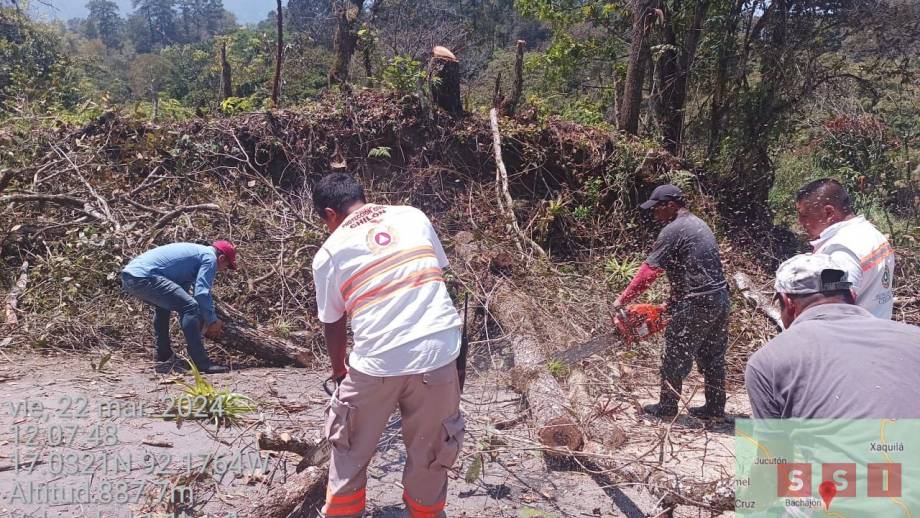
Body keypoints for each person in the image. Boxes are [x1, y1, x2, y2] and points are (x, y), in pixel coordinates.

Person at [311, 173, 464, 518]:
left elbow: (333, 321)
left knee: (348, 445)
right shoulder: (413, 216)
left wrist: (340, 373)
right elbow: (435, 272)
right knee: (432, 450)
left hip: (377, 361)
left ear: (331, 214)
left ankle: (342, 513)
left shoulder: (329, 253)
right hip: (439, 353)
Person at [745, 253, 920, 418]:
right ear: (852, 295)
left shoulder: (768, 361)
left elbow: (773, 448)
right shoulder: (915, 337)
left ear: (787, 302)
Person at [613, 184, 730, 419]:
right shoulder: (698, 224)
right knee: (713, 356)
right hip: (719, 299)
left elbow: (649, 272)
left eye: (657, 209)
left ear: (671, 206)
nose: (655, 214)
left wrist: (622, 300)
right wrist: (672, 304)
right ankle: (715, 408)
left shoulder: (674, 229)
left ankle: (667, 407)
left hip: (697, 302)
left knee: (674, 353)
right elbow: (695, 270)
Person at [121, 241, 235, 374]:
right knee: (190, 307)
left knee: (164, 307)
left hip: (129, 277)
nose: (223, 270)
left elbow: (182, 293)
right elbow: (202, 294)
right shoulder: (209, 258)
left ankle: (163, 354)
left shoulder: (197, 254)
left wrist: (203, 316)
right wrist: (212, 321)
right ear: (221, 258)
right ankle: (202, 363)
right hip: (145, 276)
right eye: (226, 265)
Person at [795, 178, 895, 318]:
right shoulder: (874, 235)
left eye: (804, 215)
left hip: (853, 337)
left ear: (829, 212)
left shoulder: (839, 252)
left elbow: (832, 314)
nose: (800, 223)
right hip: (879, 331)